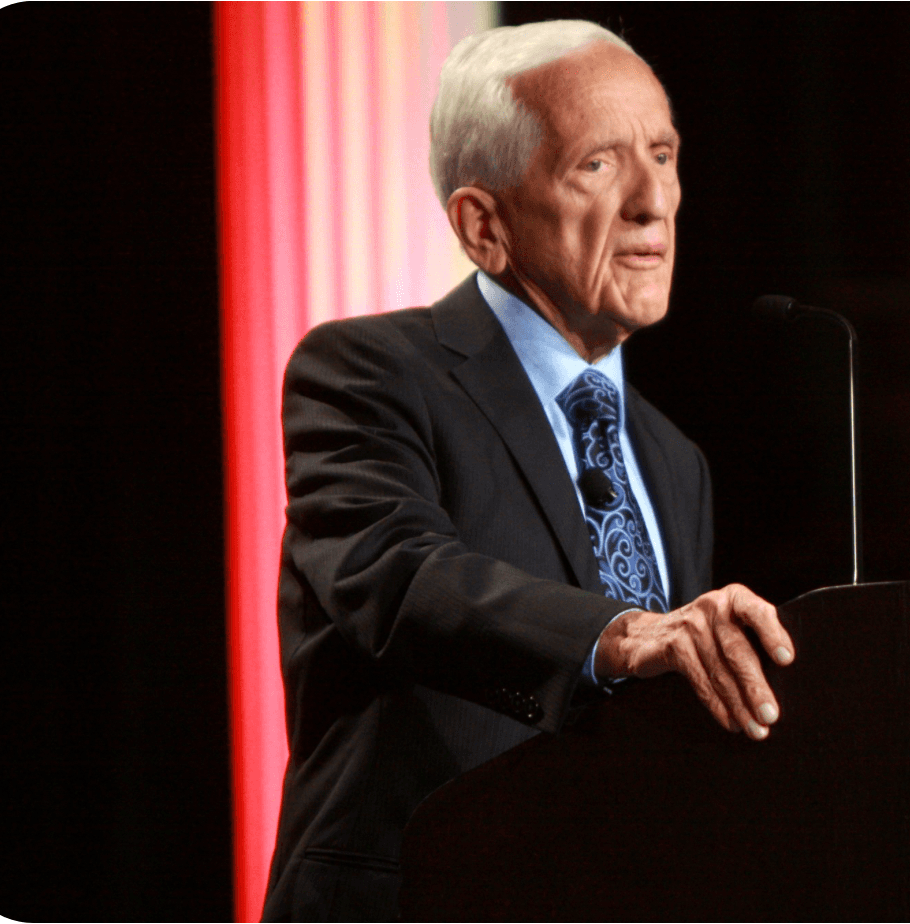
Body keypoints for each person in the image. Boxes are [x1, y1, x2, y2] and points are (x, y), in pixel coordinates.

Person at [260, 20, 794, 921]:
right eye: (597, 164)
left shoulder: (673, 458)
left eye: (662, 155)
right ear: (484, 225)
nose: (654, 201)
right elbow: (399, 577)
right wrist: (619, 633)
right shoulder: (368, 373)